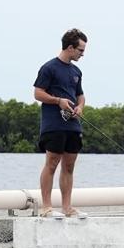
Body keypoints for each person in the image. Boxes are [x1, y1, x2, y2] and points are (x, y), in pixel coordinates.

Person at [33, 28, 88, 219]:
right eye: (81, 50)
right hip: (53, 125)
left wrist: (79, 107)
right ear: (71, 48)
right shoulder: (49, 68)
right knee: (52, 163)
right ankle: (46, 208)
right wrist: (58, 101)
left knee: (69, 166)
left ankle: (67, 207)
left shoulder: (76, 71)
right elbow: (37, 93)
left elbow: (80, 96)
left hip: (72, 126)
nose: (83, 54)